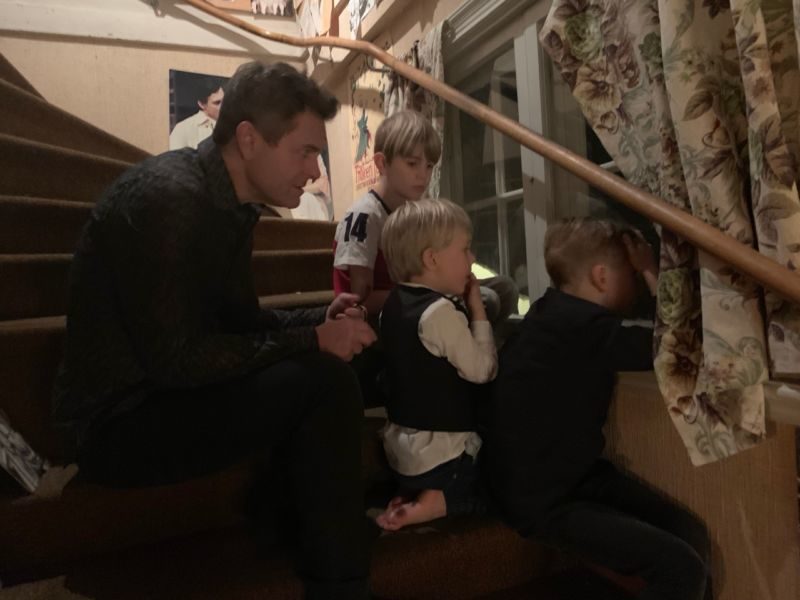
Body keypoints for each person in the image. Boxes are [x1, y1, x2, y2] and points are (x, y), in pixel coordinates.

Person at [53, 61, 376, 600]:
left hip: (174, 388)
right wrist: (312, 341)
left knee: (362, 348)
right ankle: (340, 586)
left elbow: (242, 325)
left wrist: (319, 319)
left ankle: (303, 522)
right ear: (248, 139)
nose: (315, 172)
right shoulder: (171, 199)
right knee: (325, 382)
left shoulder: (231, 203)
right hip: (120, 420)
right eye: (305, 152)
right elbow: (178, 361)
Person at [487, 219, 711, 599]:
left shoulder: (551, 314)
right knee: (680, 566)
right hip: (543, 498)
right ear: (601, 277)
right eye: (630, 274)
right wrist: (651, 269)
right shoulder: (580, 328)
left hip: (565, 476)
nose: (635, 284)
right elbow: (678, 346)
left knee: (689, 533)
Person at [374, 198, 497, 531]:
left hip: (402, 453)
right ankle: (435, 503)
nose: (472, 258)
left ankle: (410, 494)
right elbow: (483, 371)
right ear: (431, 259)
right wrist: (478, 311)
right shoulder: (439, 313)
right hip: (443, 457)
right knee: (498, 482)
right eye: (465, 249)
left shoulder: (392, 305)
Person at [169, 76, 226, 150]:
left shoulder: (231, 125)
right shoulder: (182, 129)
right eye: (217, 103)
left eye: (224, 100)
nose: (224, 106)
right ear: (201, 104)